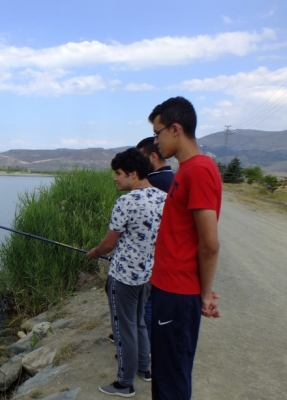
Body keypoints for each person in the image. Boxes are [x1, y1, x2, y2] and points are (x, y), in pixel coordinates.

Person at [148, 96, 222, 399]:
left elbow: (209, 244)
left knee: (172, 381)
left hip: (178, 295)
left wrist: (205, 294)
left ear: (175, 129)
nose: (155, 142)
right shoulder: (186, 170)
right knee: (165, 374)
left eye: (157, 133)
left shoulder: (198, 170)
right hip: (168, 290)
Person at [87, 147, 166, 397]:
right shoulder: (163, 198)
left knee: (123, 329)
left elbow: (109, 243)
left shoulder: (126, 202)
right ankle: (145, 368)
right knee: (140, 322)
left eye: (118, 173)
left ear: (133, 173)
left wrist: (96, 252)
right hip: (147, 276)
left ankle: (124, 383)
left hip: (123, 278)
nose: (115, 178)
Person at [136, 137, 175, 346]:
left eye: (141, 158)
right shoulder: (173, 178)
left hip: (154, 256)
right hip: (165, 255)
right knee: (154, 302)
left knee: (147, 305)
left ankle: (146, 347)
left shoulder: (154, 183)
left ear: (152, 156)